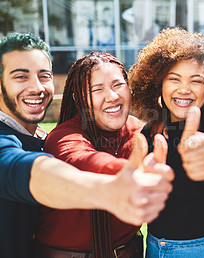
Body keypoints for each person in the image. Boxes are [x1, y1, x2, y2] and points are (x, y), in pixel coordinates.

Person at [0, 32, 173, 257]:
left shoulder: (138, 129)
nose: (37, 87)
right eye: (20, 77)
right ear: (79, 96)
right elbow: (62, 161)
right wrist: (113, 182)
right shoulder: (61, 137)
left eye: (44, 75)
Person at [129, 27, 204, 257]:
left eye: (196, 81)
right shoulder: (149, 132)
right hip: (154, 247)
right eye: (174, 79)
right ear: (159, 84)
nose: (184, 89)